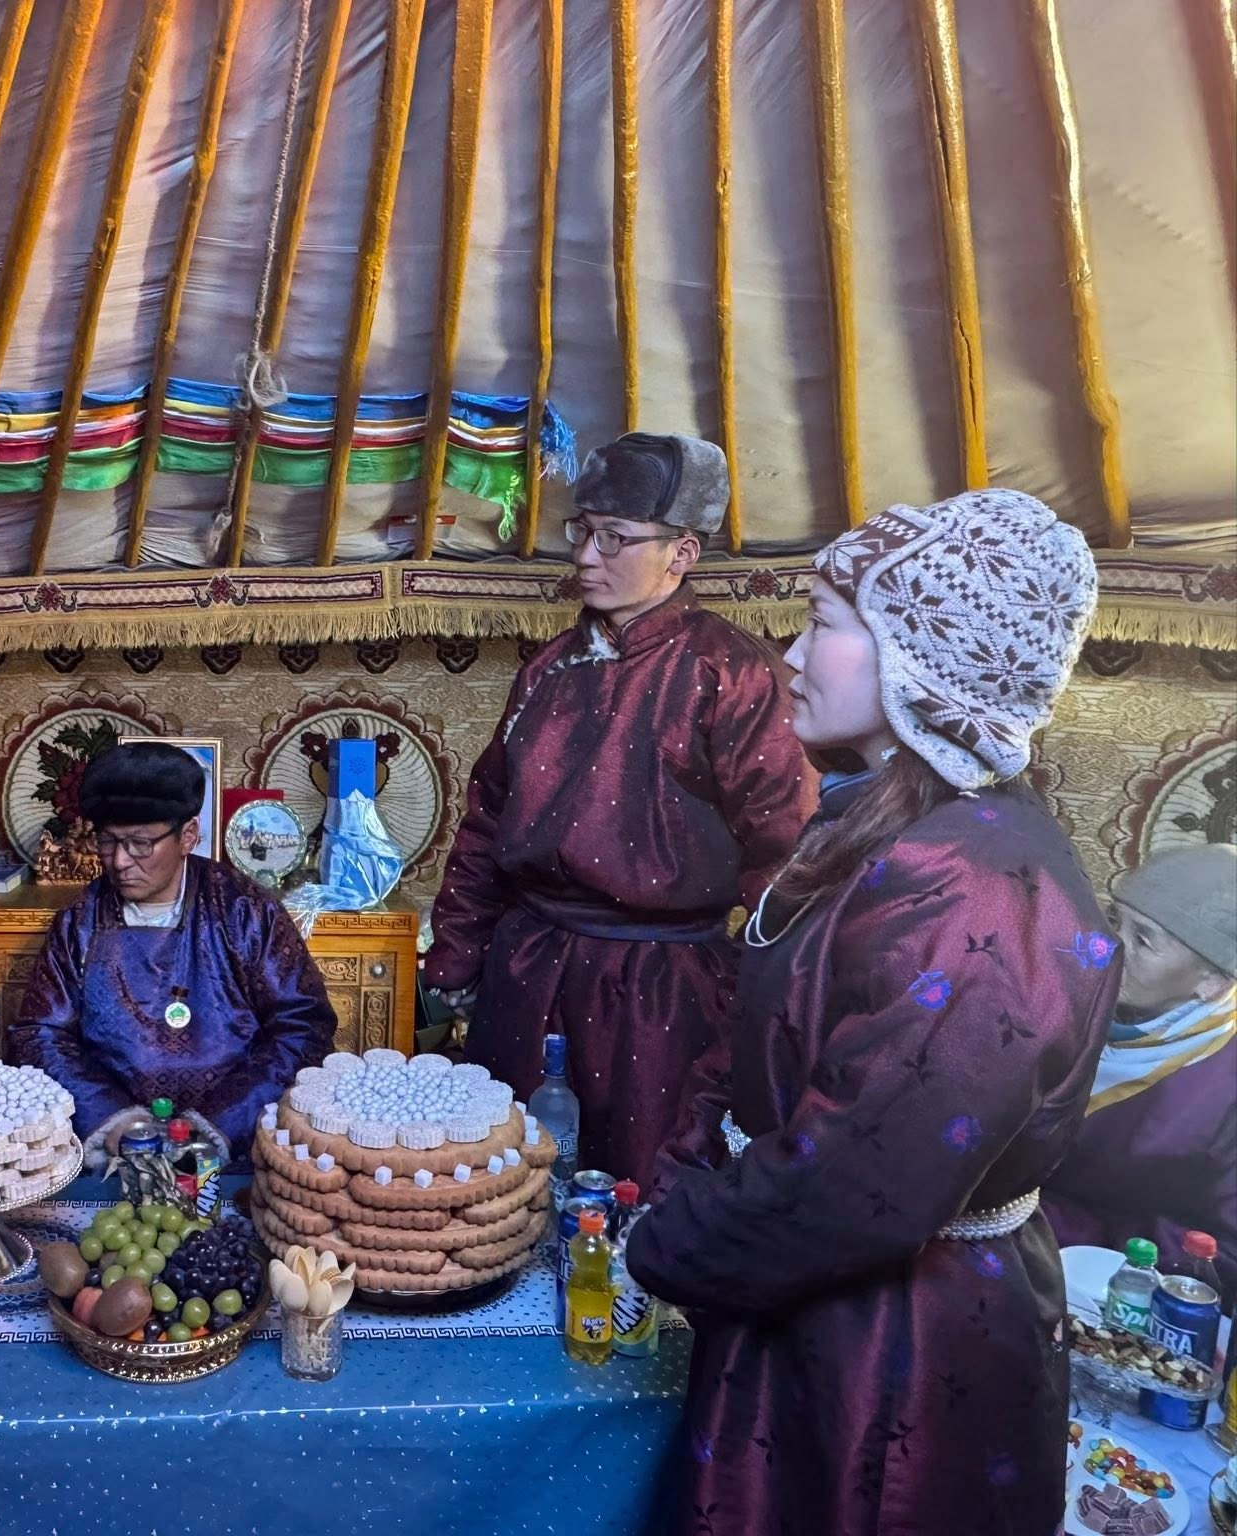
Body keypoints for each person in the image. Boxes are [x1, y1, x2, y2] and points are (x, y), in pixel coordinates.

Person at [625, 488, 1114, 1536]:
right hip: (817, 1301)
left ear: (928, 659)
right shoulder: (885, 830)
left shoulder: (977, 888)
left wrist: (666, 1241)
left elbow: (857, 1180)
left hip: (893, 1349)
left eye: (824, 624)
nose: (791, 656)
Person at [424, 431, 816, 1181]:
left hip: (662, 992)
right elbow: (486, 821)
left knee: (642, 1190)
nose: (584, 556)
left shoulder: (735, 673)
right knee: (508, 1187)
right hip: (528, 971)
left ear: (682, 552)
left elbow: (787, 855)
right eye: (581, 531)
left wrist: (768, 1004)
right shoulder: (549, 668)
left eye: (615, 537)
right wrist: (456, 956)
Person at [7, 742, 337, 1159]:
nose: (120, 861)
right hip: (117, 1143)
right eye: (107, 841)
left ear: (188, 836)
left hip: (232, 1139)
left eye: (140, 843)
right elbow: (41, 1033)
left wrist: (221, 1122)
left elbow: (302, 1027)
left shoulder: (244, 911)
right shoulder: (80, 921)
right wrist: (112, 1117)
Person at [1045, 842, 1236, 1299]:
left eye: (1143, 940)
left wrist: (1059, 1228)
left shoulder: (1225, 1082)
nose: (1107, 946)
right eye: (1113, 919)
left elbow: (1225, 1253)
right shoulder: (1054, 989)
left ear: (1212, 982)